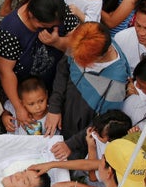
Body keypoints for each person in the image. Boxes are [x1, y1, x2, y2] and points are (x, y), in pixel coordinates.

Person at [45, 22, 129, 161]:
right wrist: (54, 107)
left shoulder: (115, 85)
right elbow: (63, 71)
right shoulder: (82, 42)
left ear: (101, 55)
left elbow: (101, 123)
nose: (75, 59)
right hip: (62, 115)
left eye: (83, 61)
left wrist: (71, 144)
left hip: (79, 137)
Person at [0, 0, 78, 127]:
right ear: (31, 15)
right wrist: (19, 107)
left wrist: (57, 42)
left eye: (55, 26)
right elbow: (5, 72)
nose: (50, 28)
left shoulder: (60, 11)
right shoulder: (10, 29)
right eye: (45, 26)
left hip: (56, 88)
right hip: (27, 96)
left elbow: (78, 44)